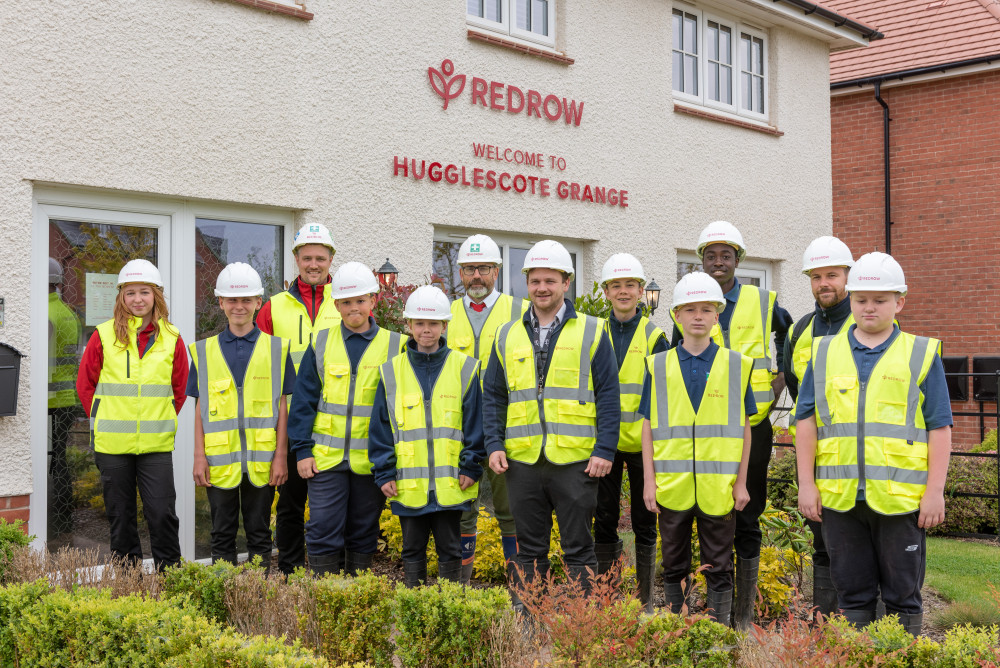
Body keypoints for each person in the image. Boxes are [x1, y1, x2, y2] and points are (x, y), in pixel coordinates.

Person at [795, 252, 952, 637]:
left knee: (903, 596)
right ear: (851, 300)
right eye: (861, 299)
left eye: (880, 300)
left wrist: (935, 491)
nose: (869, 307)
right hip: (839, 500)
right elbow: (805, 422)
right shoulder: (824, 352)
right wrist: (806, 484)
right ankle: (857, 658)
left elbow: (940, 428)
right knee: (852, 595)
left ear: (900, 302)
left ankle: (903, 660)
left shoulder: (921, 354)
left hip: (902, 501)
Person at [671, 220, 792, 628]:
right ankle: (696, 610)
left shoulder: (762, 301)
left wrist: (780, 383)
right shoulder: (690, 304)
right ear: (701, 260)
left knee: (747, 510)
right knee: (700, 511)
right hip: (701, 432)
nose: (718, 262)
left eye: (726, 255)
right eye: (710, 255)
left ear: (738, 260)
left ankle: (740, 616)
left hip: (750, 425)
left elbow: (787, 337)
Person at [483, 239, 620, 594]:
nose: (541, 288)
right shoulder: (506, 334)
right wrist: (494, 444)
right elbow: (495, 395)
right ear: (526, 283)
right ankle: (529, 626)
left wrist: (605, 449)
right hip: (522, 459)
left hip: (576, 460)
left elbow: (608, 395)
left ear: (566, 283)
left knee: (578, 549)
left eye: (550, 280)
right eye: (534, 281)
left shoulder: (592, 330)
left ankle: (580, 630)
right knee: (528, 551)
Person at [641, 272, 756, 626]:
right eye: (689, 309)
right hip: (671, 487)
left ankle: (718, 632)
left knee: (720, 563)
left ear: (717, 316)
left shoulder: (736, 365)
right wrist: (648, 481)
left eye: (707, 309)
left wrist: (741, 482)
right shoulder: (658, 364)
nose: (698, 316)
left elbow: (745, 427)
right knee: (674, 562)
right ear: (676, 315)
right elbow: (647, 426)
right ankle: (678, 627)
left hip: (719, 488)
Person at [288, 262, 407, 576]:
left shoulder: (397, 346)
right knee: (323, 526)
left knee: (364, 529)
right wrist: (302, 450)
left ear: (373, 301)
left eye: (360, 300)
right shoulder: (322, 343)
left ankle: (356, 596)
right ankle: (324, 594)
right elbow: (303, 402)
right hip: (326, 460)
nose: (354, 307)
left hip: (372, 461)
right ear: (336, 304)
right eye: (346, 302)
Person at [369, 285, 485, 586]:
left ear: (444, 325)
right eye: (419, 323)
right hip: (409, 485)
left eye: (433, 323)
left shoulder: (465, 368)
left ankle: (451, 613)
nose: (426, 330)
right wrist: (384, 472)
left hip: (452, 485)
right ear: (408, 325)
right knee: (412, 549)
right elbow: (381, 428)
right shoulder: (391, 372)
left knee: (450, 548)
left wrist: (471, 466)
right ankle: (414, 612)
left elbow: (476, 424)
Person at [76, 259, 187, 570]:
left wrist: (160, 417)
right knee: (120, 517)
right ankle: (128, 583)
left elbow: (179, 389)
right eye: (130, 293)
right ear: (120, 297)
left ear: (156, 296)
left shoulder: (172, 338)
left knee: (162, 514)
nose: (138, 299)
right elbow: (86, 386)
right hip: (113, 446)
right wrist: (102, 419)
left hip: (155, 446)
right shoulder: (103, 335)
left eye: (144, 292)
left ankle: (171, 580)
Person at [188, 263, 293, 570]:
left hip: (263, 460)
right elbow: (199, 409)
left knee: (260, 533)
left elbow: (282, 406)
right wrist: (198, 457)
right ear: (221, 303)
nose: (239, 306)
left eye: (246, 300)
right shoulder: (203, 352)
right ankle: (225, 598)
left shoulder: (277, 349)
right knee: (222, 534)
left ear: (258, 303)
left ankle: (258, 599)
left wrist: (281, 457)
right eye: (232, 300)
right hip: (219, 461)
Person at [257, 222, 341, 576]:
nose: (313, 264)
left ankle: (333, 573)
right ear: (296, 259)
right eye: (307, 257)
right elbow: (259, 365)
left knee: (335, 507)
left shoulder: (347, 301)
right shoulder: (273, 307)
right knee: (290, 504)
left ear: (331, 259)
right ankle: (290, 571)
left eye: (320, 257)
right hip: (289, 423)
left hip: (337, 424)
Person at [446, 234, 528, 584]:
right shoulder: (445, 314)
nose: (475, 276)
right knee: (462, 508)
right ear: (460, 273)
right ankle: (461, 589)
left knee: (510, 509)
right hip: (457, 427)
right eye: (468, 269)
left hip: (504, 426)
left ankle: (519, 587)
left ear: (497, 271)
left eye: (483, 268)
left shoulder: (520, 311)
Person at [782, 236, 855, 617]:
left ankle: (860, 624)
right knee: (821, 540)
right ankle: (825, 621)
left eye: (832, 275)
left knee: (861, 540)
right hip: (815, 456)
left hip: (859, 455)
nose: (824, 283)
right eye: (817, 276)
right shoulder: (800, 331)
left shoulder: (865, 324)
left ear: (848, 276)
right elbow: (798, 393)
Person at [593, 253, 667, 613]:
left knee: (644, 520)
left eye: (630, 286)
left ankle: (645, 601)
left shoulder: (655, 337)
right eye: (615, 286)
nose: (623, 292)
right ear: (605, 292)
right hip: (603, 445)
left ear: (641, 292)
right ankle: (606, 597)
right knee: (603, 518)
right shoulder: (594, 333)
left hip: (643, 447)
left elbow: (662, 397)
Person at [48, 257, 82, 536]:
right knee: (60, 461)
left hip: (50, 402)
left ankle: (56, 524)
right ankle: (63, 521)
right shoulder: (67, 312)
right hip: (66, 399)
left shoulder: (46, 315)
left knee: (54, 464)